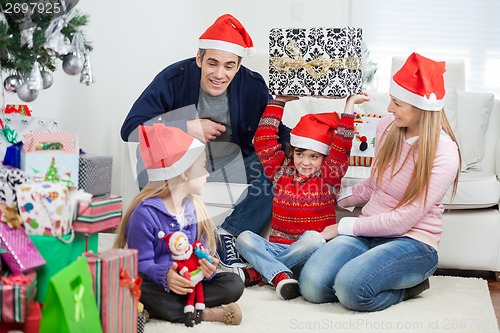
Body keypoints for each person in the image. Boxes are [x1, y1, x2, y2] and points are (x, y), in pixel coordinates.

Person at [120, 14, 291, 270]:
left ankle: (228, 236)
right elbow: (131, 129)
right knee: (149, 150)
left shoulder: (252, 85)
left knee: (279, 165)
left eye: (229, 66)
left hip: (232, 164)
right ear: (199, 59)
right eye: (212, 63)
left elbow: (273, 131)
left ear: (238, 66)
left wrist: (305, 145)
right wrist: (187, 126)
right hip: (185, 167)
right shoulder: (173, 78)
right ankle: (160, 233)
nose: (219, 74)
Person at [298, 52, 461, 311]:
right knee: (312, 286)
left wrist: (342, 226)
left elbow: (404, 219)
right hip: (369, 231)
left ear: (421, 108)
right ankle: (372, 275)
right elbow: (375, 185)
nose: (388, 109)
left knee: (351, 288)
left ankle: (409, 288)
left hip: (412, 241)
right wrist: (331, 196)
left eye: (397, 103)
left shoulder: (444, 153)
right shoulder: (387, 126)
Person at [235, 93, 370, 300]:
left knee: (314, 238)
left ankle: (264, 273)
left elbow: (342, 144)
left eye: (313, 156)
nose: (305, 162)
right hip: (280, 247)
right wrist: (278, 102)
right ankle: (280, 275)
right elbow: (263, 139)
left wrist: (349, 105)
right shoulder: (280, 171)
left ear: (324, 157)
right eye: (300, 154)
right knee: (244, 237)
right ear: (293, 152)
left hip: (313, 254)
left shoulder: (328, 176)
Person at [113, 124, 244, 325]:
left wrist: (206, 268)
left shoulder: (194, 209)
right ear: (183, 173)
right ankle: (204, 313)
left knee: (234, 284)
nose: (207, 173)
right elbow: (139, 264)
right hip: (157, 284)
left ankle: (167, 309)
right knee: (135, 287)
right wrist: (165, 276)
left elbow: (200, 252)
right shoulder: (144, 215)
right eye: (202, 167)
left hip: (188, 283)